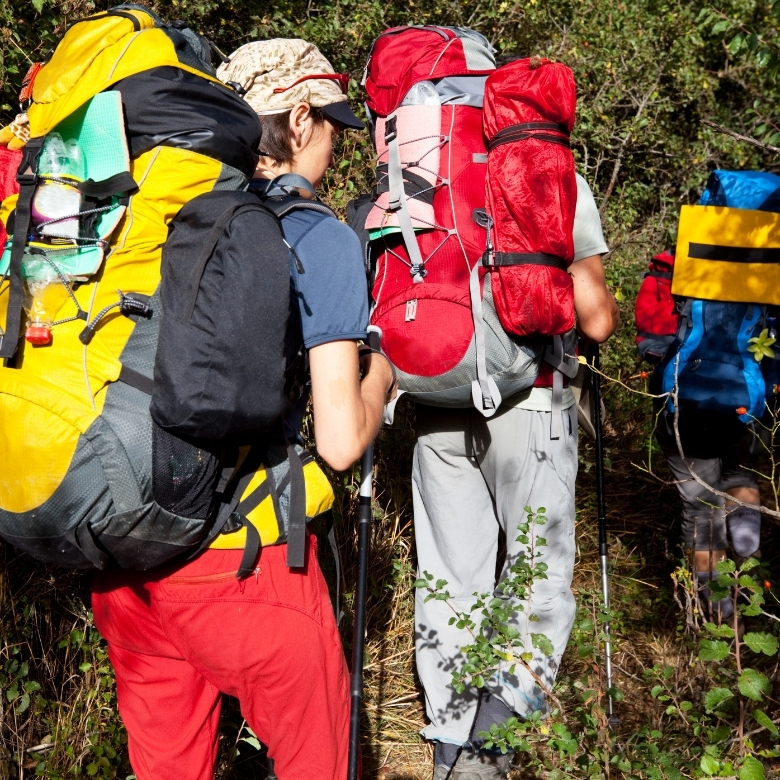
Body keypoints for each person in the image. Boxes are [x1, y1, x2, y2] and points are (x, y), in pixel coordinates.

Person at [91, 39, 394, 780]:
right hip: (243, 560)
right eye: (331, 126)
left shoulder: (160, 216)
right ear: (298, 119)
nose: (336, 143)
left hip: (125, 551)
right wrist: (381, 372)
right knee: (318, 762)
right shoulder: (316, 236)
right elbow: (343, 441)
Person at [413, 174, 619, 779]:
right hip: (532, 402)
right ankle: (487, 756)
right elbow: (598, 320)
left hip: (438, 404)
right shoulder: (552, 170)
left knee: (449, 581)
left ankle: (448, 751)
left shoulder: (422, 165)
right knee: (537, 579)